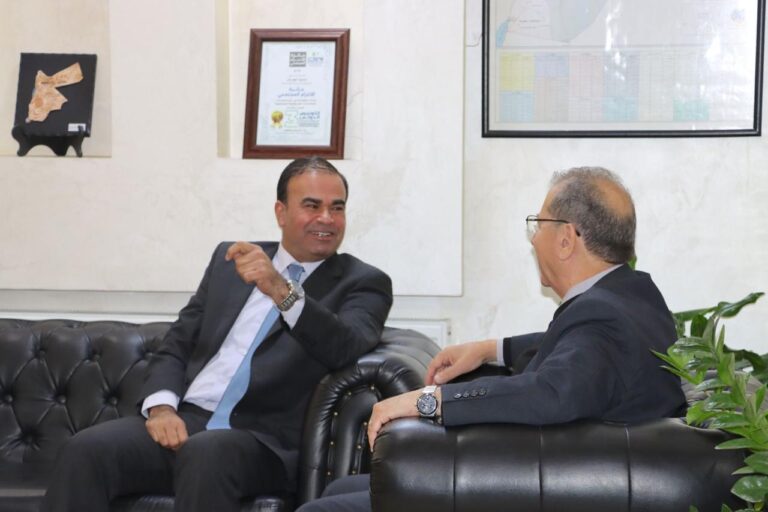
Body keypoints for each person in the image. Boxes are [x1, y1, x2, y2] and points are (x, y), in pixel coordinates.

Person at [297, 166, 687, 512]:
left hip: (546, 488)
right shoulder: (634, 296)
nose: (533, 239)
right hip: (572, 476)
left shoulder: (600, 316)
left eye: (538, 224)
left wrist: (428, 400)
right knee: (339, 489)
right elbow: (577, 350)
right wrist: (492, 350)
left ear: (566, 238)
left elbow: (550, 393)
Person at [41, 157, 393, 512]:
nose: (327, 218)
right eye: (312, 206)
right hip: (188, 419)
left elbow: (345, 345)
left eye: (337, 208)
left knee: (206, 452)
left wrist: (280, 289)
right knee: (86, 449)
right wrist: (162, 408)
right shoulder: (231, 262)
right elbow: (178, 342)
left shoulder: (363, 282)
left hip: (264, 441)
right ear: (281, 212)